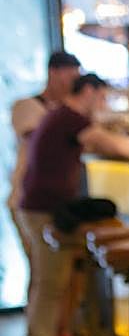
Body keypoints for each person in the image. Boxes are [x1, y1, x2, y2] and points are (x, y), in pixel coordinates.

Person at [17, 73, 129, 336]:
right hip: (45, 210)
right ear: (89, 91)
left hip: (40, 207)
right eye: (102, 97)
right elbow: (118, 148)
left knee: (49, 281)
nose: (103, 104)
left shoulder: (61, 116)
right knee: (51, 283)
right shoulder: (70, 118)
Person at [8, 51, 80, 303]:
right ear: (53, 72)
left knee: (59, 275)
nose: (72, 82)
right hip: (26, 198)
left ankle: (58, 335)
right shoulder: (27, 106)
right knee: (43, 275)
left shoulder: (68, 112)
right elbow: (40, 139)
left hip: (54, 202)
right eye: (69, 75)